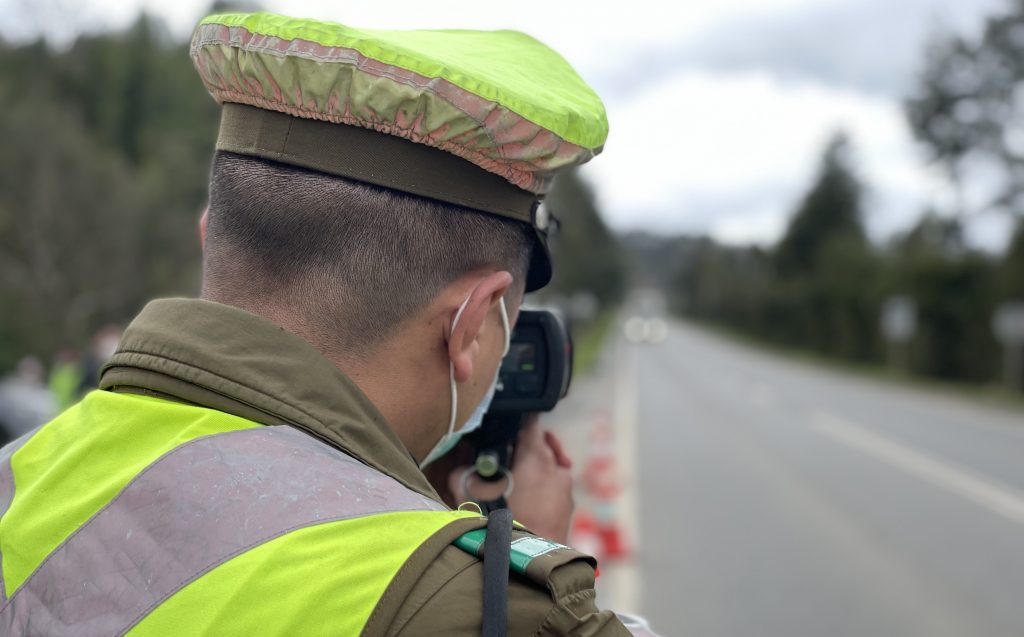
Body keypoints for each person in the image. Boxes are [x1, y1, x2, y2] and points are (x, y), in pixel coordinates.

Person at [0, 11, 657, 636]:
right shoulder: (493, 608)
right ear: (472, 323)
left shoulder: (19, 475)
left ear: (209, 237)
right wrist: (507, 572)